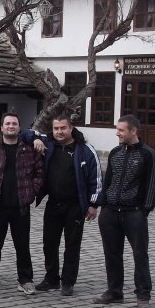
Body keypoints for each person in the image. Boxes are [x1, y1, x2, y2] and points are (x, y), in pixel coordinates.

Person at [0, 112, 44, 295]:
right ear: (2, 127)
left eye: (14, 124)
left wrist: (31, 192)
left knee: (23, 245)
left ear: (19, 128)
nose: (11, 126)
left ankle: (25, 279)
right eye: (8, 124)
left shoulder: (29, 150)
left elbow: (39, 173)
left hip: (21, 206)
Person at [94, 114, 155, 308]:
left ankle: (143, 295)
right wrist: (103, 205)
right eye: (117, 129)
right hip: (111, 211)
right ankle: (114, 291)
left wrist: (144, 210)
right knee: (112, 253)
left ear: (133, 131)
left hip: (134, 212)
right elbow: (107, 181)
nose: (118, 133)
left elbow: (153, 184)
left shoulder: (148, 154)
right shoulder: (115, 153)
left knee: (140, 254)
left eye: (121, 130)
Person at [30, 114, 103, 296]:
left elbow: (96, 179)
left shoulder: (85, 149)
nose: (59, 132)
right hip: (53, 203)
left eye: (63, 128)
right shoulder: (48, 144)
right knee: (49, 243)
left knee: (72, 245)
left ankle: (68, 282)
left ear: (71, 128)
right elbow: (25, 133)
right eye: (56, 128)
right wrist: (35, 139)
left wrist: (93, 204)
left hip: (75, 206)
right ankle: (51, 279)